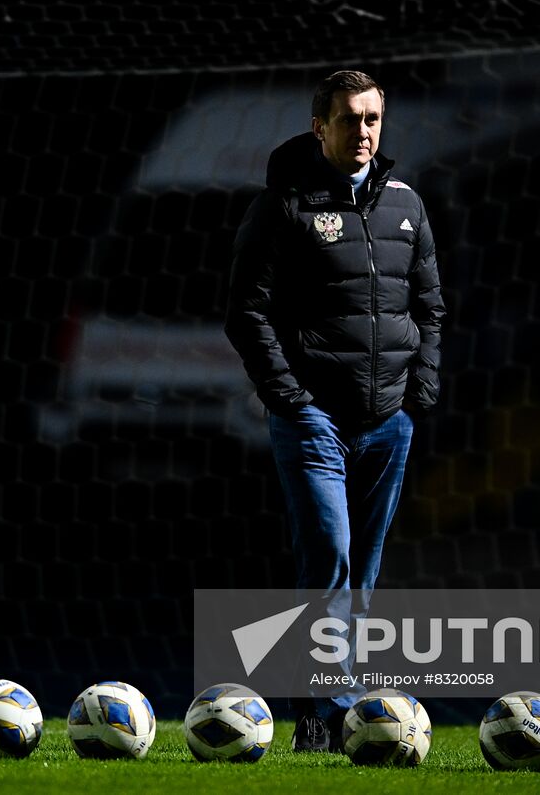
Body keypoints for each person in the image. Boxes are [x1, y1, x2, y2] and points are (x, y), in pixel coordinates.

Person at [224, 70, 445, 752]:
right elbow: (246, 312)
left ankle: (315, 721)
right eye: (350, 119)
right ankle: (341, 710)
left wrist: (419, 392)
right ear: (320, 127)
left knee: (363, 575)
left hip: (389, 421)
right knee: (331, 557)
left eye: (373, 119)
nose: (364, 132)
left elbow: (429, 305)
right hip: (313, 417)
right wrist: (291, 396)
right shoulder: (284, 206)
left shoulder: (407, 204)